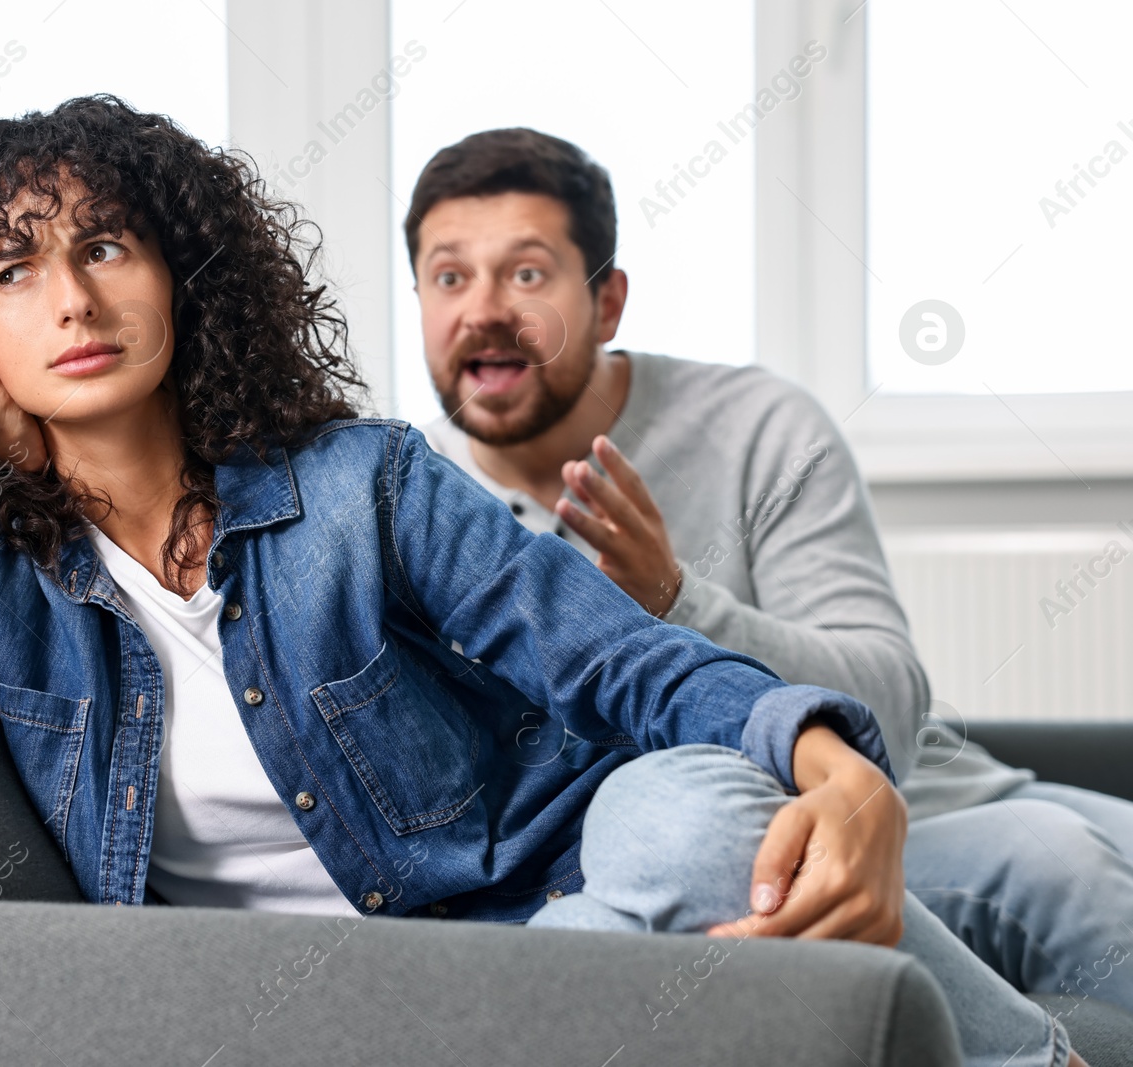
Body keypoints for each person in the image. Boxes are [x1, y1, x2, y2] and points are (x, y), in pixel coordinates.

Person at [0, 97, 1080, 1066]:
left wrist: (840, 760)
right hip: (305, 1002)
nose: (73, 296)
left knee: (703, 818)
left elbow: (626, 666)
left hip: (553, 884)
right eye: (11, 268)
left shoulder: (358, 480)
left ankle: (1033, 1059)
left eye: (107, 245)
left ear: (183, 274)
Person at [403, 125, 1133, 1023]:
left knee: (1063, 857)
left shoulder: (757, 426)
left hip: (913, 810)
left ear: (608, 301)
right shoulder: (412, 504)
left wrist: (674, 599)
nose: (482, 309)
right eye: (448, 276)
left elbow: (895, 711)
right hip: (681, 857)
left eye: (525, 273)